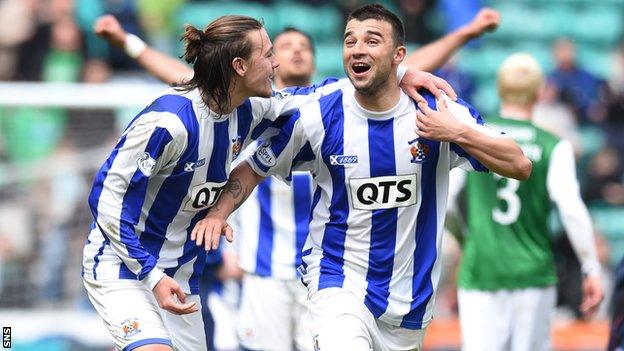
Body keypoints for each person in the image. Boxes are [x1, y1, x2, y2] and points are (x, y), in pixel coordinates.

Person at [94, 9, 499, 351]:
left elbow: (372, 81)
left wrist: (405, 71)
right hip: (155, 267)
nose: (281, 61)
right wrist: (128, 42)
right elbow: (109, 198)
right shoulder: (182, 119)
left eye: (297, 49)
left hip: (192, 272)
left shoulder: (276, 109)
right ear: (240, 66)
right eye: (273, 52)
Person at [192, 5, 530, 350]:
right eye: (349, 40)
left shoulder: (437, 113)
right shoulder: (319, 113)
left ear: (399, 55)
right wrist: (219, 212)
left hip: (408, 302)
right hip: (337, 283)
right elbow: (254, 167)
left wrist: (457, 132)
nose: (357, 48)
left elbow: (520, 164)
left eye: (372, 40)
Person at [452, 53, 603, 351]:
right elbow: (571, 209)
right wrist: (591, 269)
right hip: (533, 273)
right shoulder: (552, 145)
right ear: (539, 92)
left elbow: (447, 205)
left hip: (481, 269)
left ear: (499, 89)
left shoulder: (473, 137)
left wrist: (465, 239)